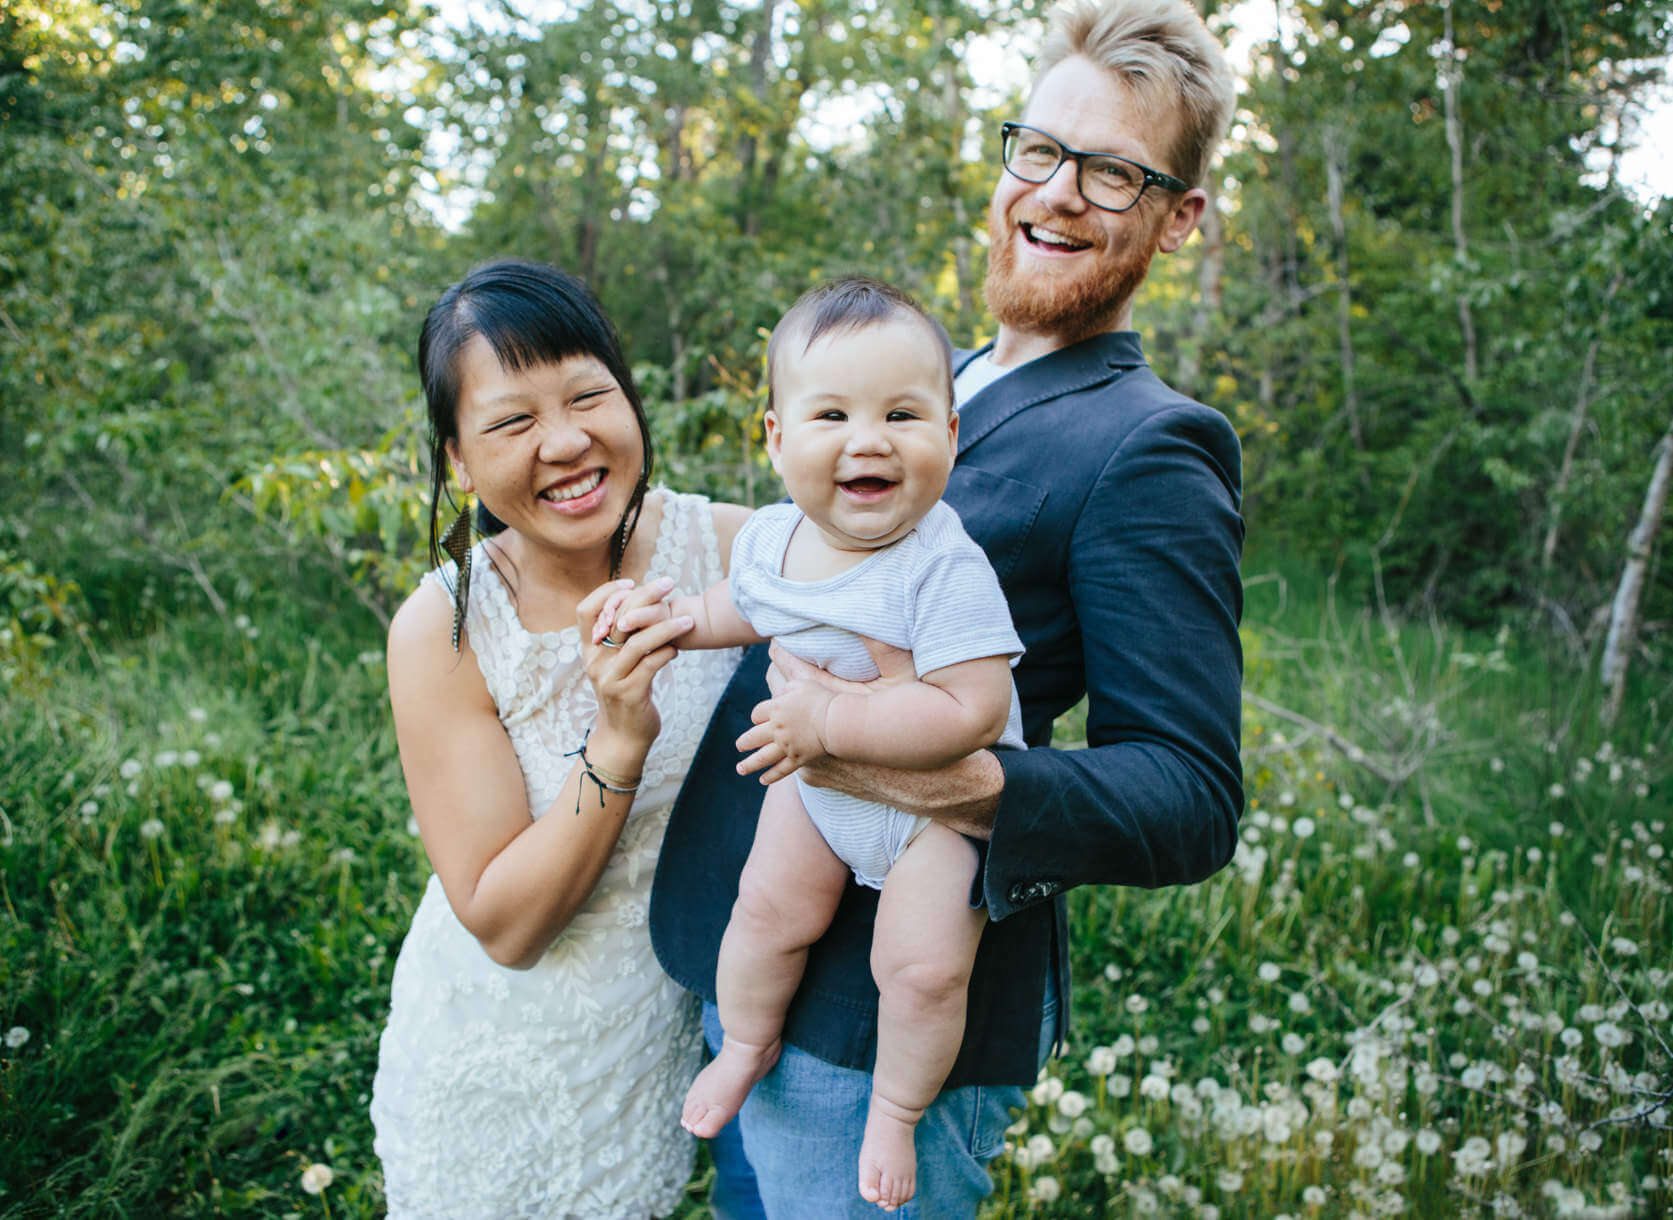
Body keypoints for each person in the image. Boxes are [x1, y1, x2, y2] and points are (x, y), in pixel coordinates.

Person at [649, 0, 1246, 1214]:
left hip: (880, 1020)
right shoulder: (929, 378)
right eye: (1040, 148)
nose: (1059, 192)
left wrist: (946, 777)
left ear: (1178, 216)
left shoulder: (1153, 447)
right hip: (758, 941)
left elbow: (1188, 798)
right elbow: (799, 543)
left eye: (1114, 173)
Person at [597, 277, 1026, 1210]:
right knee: (765, 912)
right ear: (777, 438)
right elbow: (736, 610)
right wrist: (666, 623)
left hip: (931, 815)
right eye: (831, 413)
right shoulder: (776, 541)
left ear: (949, 436)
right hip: (819, 789)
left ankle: (896, 1109)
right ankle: (748, 1045)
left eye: (902, 414)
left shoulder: (943, 565)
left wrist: (830, 723)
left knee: (919, 970)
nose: (867, 439)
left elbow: (973, 710)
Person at [368, 257, 750, 1218]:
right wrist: (618, 735)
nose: (568, 441)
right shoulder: (446, 626)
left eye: (589, 396)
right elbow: (504, 923)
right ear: (456, 459)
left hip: (658, 1047)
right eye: (511, 423)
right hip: (494, 1062)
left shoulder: (740, 552)